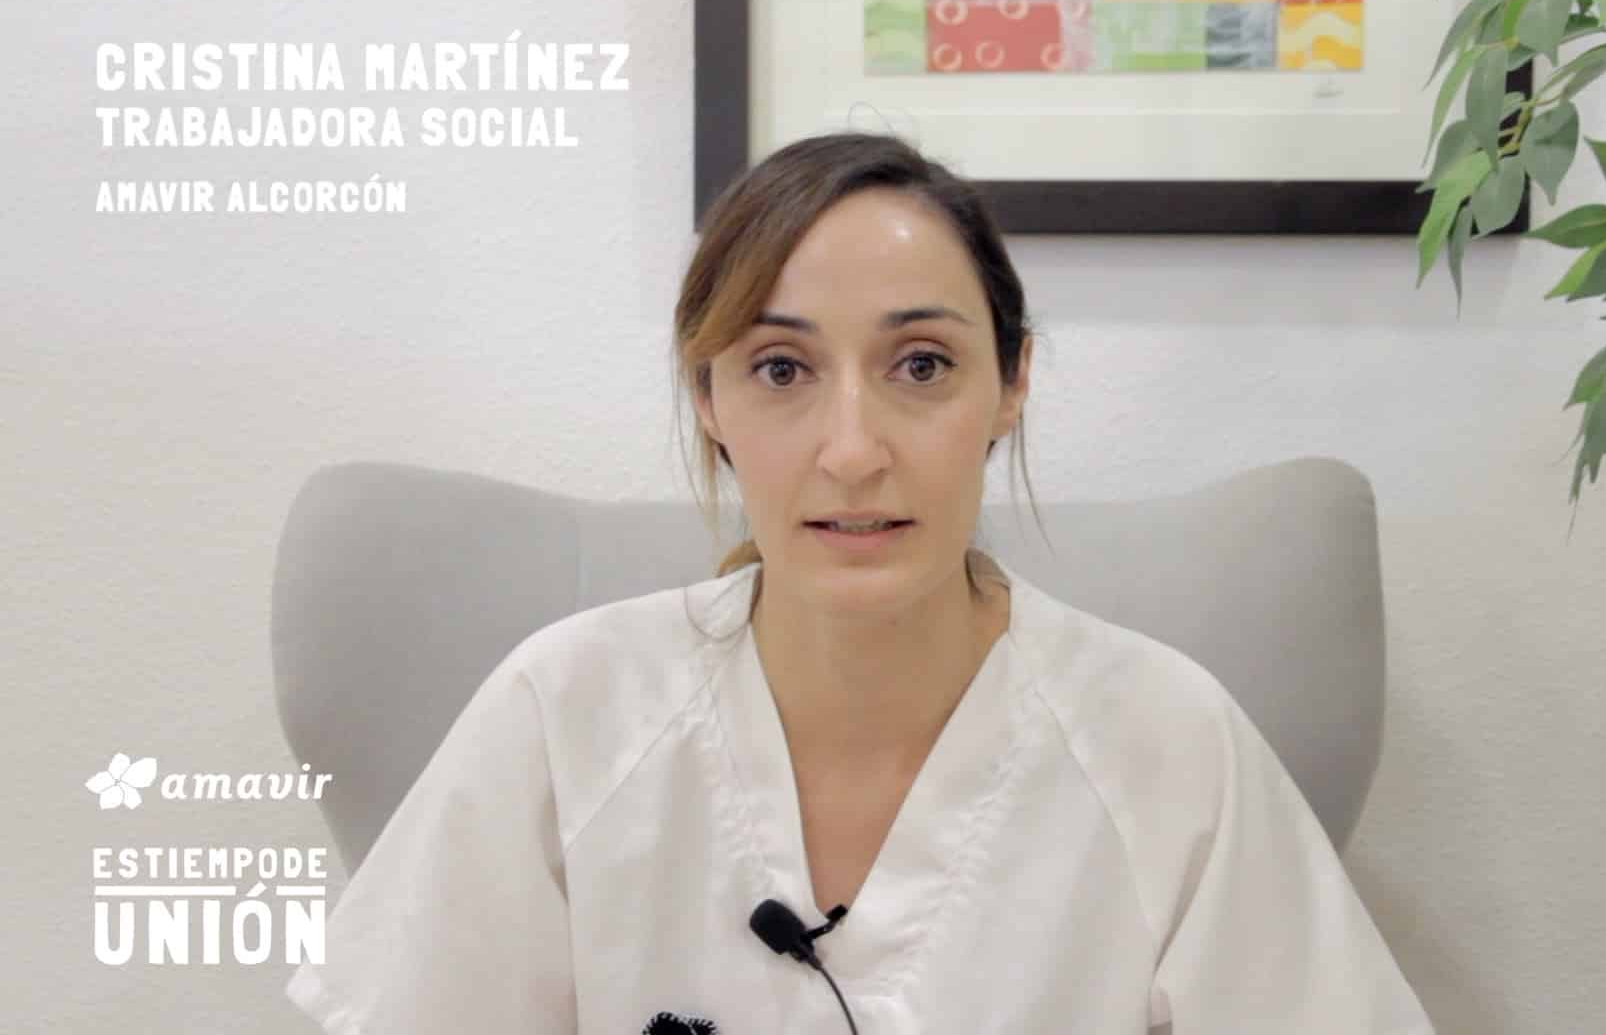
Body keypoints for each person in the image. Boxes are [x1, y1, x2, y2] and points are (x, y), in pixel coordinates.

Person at [283, 131, 1434, 1034]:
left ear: (1013, 382)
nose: (852, 450)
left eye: (921, 364)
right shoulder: (565, 713)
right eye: (781, 369)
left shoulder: (1168, 745)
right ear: (708, 399)